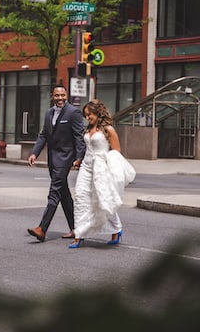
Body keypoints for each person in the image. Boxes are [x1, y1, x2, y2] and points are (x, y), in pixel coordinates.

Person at [69, 99, 134, 249]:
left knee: (103, 200)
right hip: (86, 166)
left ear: (98, 113)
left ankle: (116, 230)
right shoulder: (88, 129)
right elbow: (87, 148)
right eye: (86, 115)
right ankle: (79, 235)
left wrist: (107, 167)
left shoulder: (108, 129)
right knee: (80, 197)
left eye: (90, 114)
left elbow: (116, 151)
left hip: (101, 168)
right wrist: (79, 161)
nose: (88, 118)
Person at [27, 85, 86, 242]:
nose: (60, 98)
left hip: (65, 158)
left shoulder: (73, 112)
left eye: (63, 95)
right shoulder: (49, 113)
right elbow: (44, 135)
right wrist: (34, 153)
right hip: (52, 159)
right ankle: (75, 228)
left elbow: (79, 137)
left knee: (54, 192)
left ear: (66, 96)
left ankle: (42, 229)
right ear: (52, 97)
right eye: (57, 95)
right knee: (64, 194)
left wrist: (79, 157)